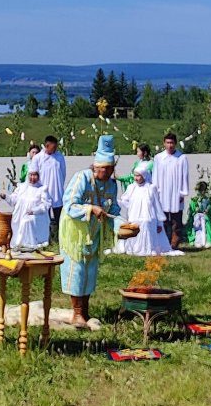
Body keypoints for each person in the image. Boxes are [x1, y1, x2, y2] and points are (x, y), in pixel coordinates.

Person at [58, 135, 126, 329]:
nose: (109, 172)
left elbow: (113, 211)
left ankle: (85, 311)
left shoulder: (112, 185)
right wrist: (90, 209)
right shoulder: (82, 178)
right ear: (97, 167)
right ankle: (77, 312)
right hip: (75, 232)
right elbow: (69, 203)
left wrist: (123, 226)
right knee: (77, 270)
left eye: (111, 169)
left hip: (94, 233)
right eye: (106, 169)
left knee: (90, 271)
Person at [115, 162, 180, 257]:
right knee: (133, 228)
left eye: (138, 176)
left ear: (144, 176)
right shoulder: (131, 188)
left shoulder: (151, 188)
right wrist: (116, 201)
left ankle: (149, 248)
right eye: (135, 175)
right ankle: (134, 248)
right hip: (134, 216)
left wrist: (159, 223)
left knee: (146, 224)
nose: (136, 178)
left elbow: (157, 206)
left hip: (148, 216)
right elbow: (126, 202)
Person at [152, 134, 191, 249]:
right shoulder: (159, 158)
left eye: (172, 143)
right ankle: (163, 242)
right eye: (168, 143)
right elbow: (155, 175)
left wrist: (182, 193)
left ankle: (174, 243)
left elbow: (185, 176)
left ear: (175, 144)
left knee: (176, 220)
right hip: (162, 193)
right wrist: (155, 191)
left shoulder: (181, 158)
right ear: (164, 143)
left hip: (176, 193)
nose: (170, 145)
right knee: (163, 219)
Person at [6, 160, 50, 251]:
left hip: (37, 216)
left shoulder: (42, 189)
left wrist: (34, 210)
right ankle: (20, 243)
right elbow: (13, 200)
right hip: (21, 215)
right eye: (31, 175)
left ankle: (30, 244)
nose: (32, 177)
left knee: (27, 221)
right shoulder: (21, 187)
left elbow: (45, 205)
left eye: (35, 175)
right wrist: (5, 197)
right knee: (23, 221)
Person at [35, 135, 67, 236]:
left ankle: (59, 237)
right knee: (45, 219)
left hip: (57, 192)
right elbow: (34, 174)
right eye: (53, 147)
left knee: (59, 218)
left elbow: (63, 173)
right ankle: (46, 237)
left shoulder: (59, 157)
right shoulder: (38, 158)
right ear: (47, 145)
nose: (55, 149)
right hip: (44, 193)